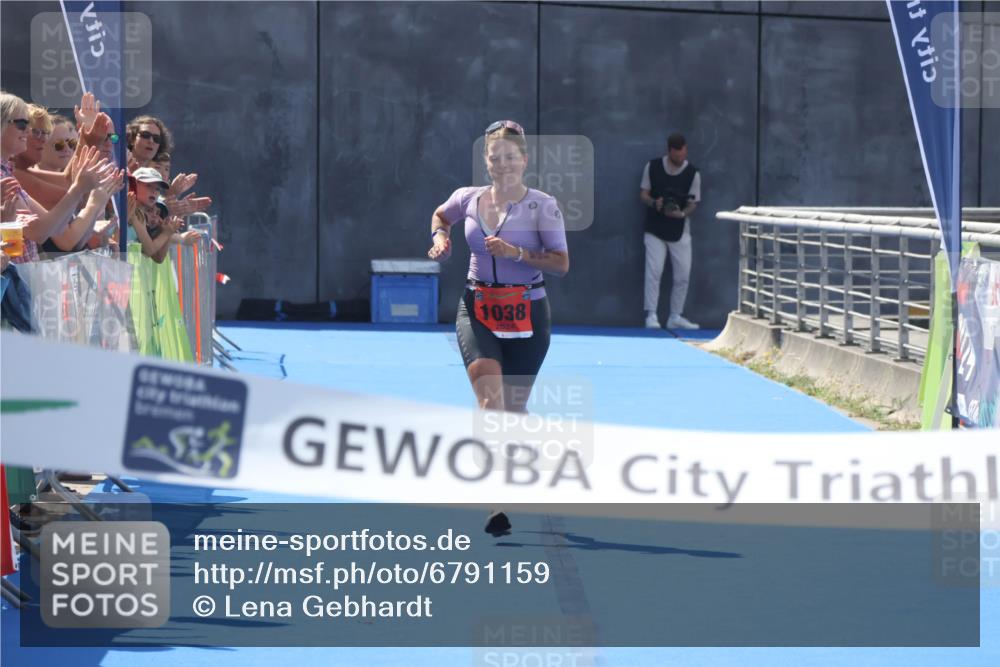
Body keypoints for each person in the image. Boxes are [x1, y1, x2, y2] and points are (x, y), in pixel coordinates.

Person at [429, 120, 569, 536]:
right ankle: (496, 504)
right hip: (478, 308)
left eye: (510, 157)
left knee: (514, 411)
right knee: (491, 405)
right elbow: (441, 215)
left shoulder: (543, 206)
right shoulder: (467, 199)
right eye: (495, 158)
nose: (502, 165)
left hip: (528, 311)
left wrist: (517, 253)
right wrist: (441, 238)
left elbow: (561, 264)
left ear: (524, 161)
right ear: (486, 162)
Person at [640, 132, 701, 330]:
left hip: (680, 229)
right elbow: (643, 193)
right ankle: (651, 315)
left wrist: (682, 213)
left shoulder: (693, 173)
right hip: (655, 228)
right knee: (653, 271)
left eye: (683, 155)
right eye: (676, 156)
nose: (680, 159)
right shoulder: (653, 166)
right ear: (669, 151)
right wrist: (654, 203)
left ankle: (676, 315)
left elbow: (694, 202)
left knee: (682, 274)